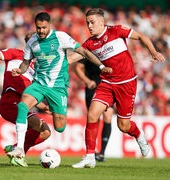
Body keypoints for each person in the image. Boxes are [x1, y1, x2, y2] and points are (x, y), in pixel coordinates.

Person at [7, 12, 112, 167]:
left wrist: (101, 66)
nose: (41, 31)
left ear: (49, 25)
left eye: (44, 27)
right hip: (39, 84)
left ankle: (49, 118)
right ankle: (20, 149)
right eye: (38, 28)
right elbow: (25, 63)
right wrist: (20, 70)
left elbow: (82, 51)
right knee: (22, 106)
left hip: (58, 87)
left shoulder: (61, 37)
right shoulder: (32, 42)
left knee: (60, 127)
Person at [71, 8, 165, 168]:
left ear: (101, 22)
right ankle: (89, 157)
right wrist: (56, 62)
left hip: (126, 84)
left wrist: (153, 52)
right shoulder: (89, 43)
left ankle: (138, 134)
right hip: (107, 84)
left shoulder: (117, 30)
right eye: (87, 23)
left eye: (92, 22)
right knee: (92, 114)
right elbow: (74, 56)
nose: (89, 26)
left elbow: (141, 36)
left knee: (124, 125)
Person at [0, 32, 52, 167]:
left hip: (23, 103)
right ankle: (19, 153)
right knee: (39, 127)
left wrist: (46, 107)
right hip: (10, 101)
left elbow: (34, 97)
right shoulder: (15, 53)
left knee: (45, 132)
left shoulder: (38, 67)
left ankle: (16, 149)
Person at [74, 58, 113, 162]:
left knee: (108, 116)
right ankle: (93, 150)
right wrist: (87, 81)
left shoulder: (108, 49)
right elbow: (78, 67)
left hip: (107, 87)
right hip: (93, 87)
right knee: (94, 118)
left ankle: (102, 153)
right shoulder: (88, 51)